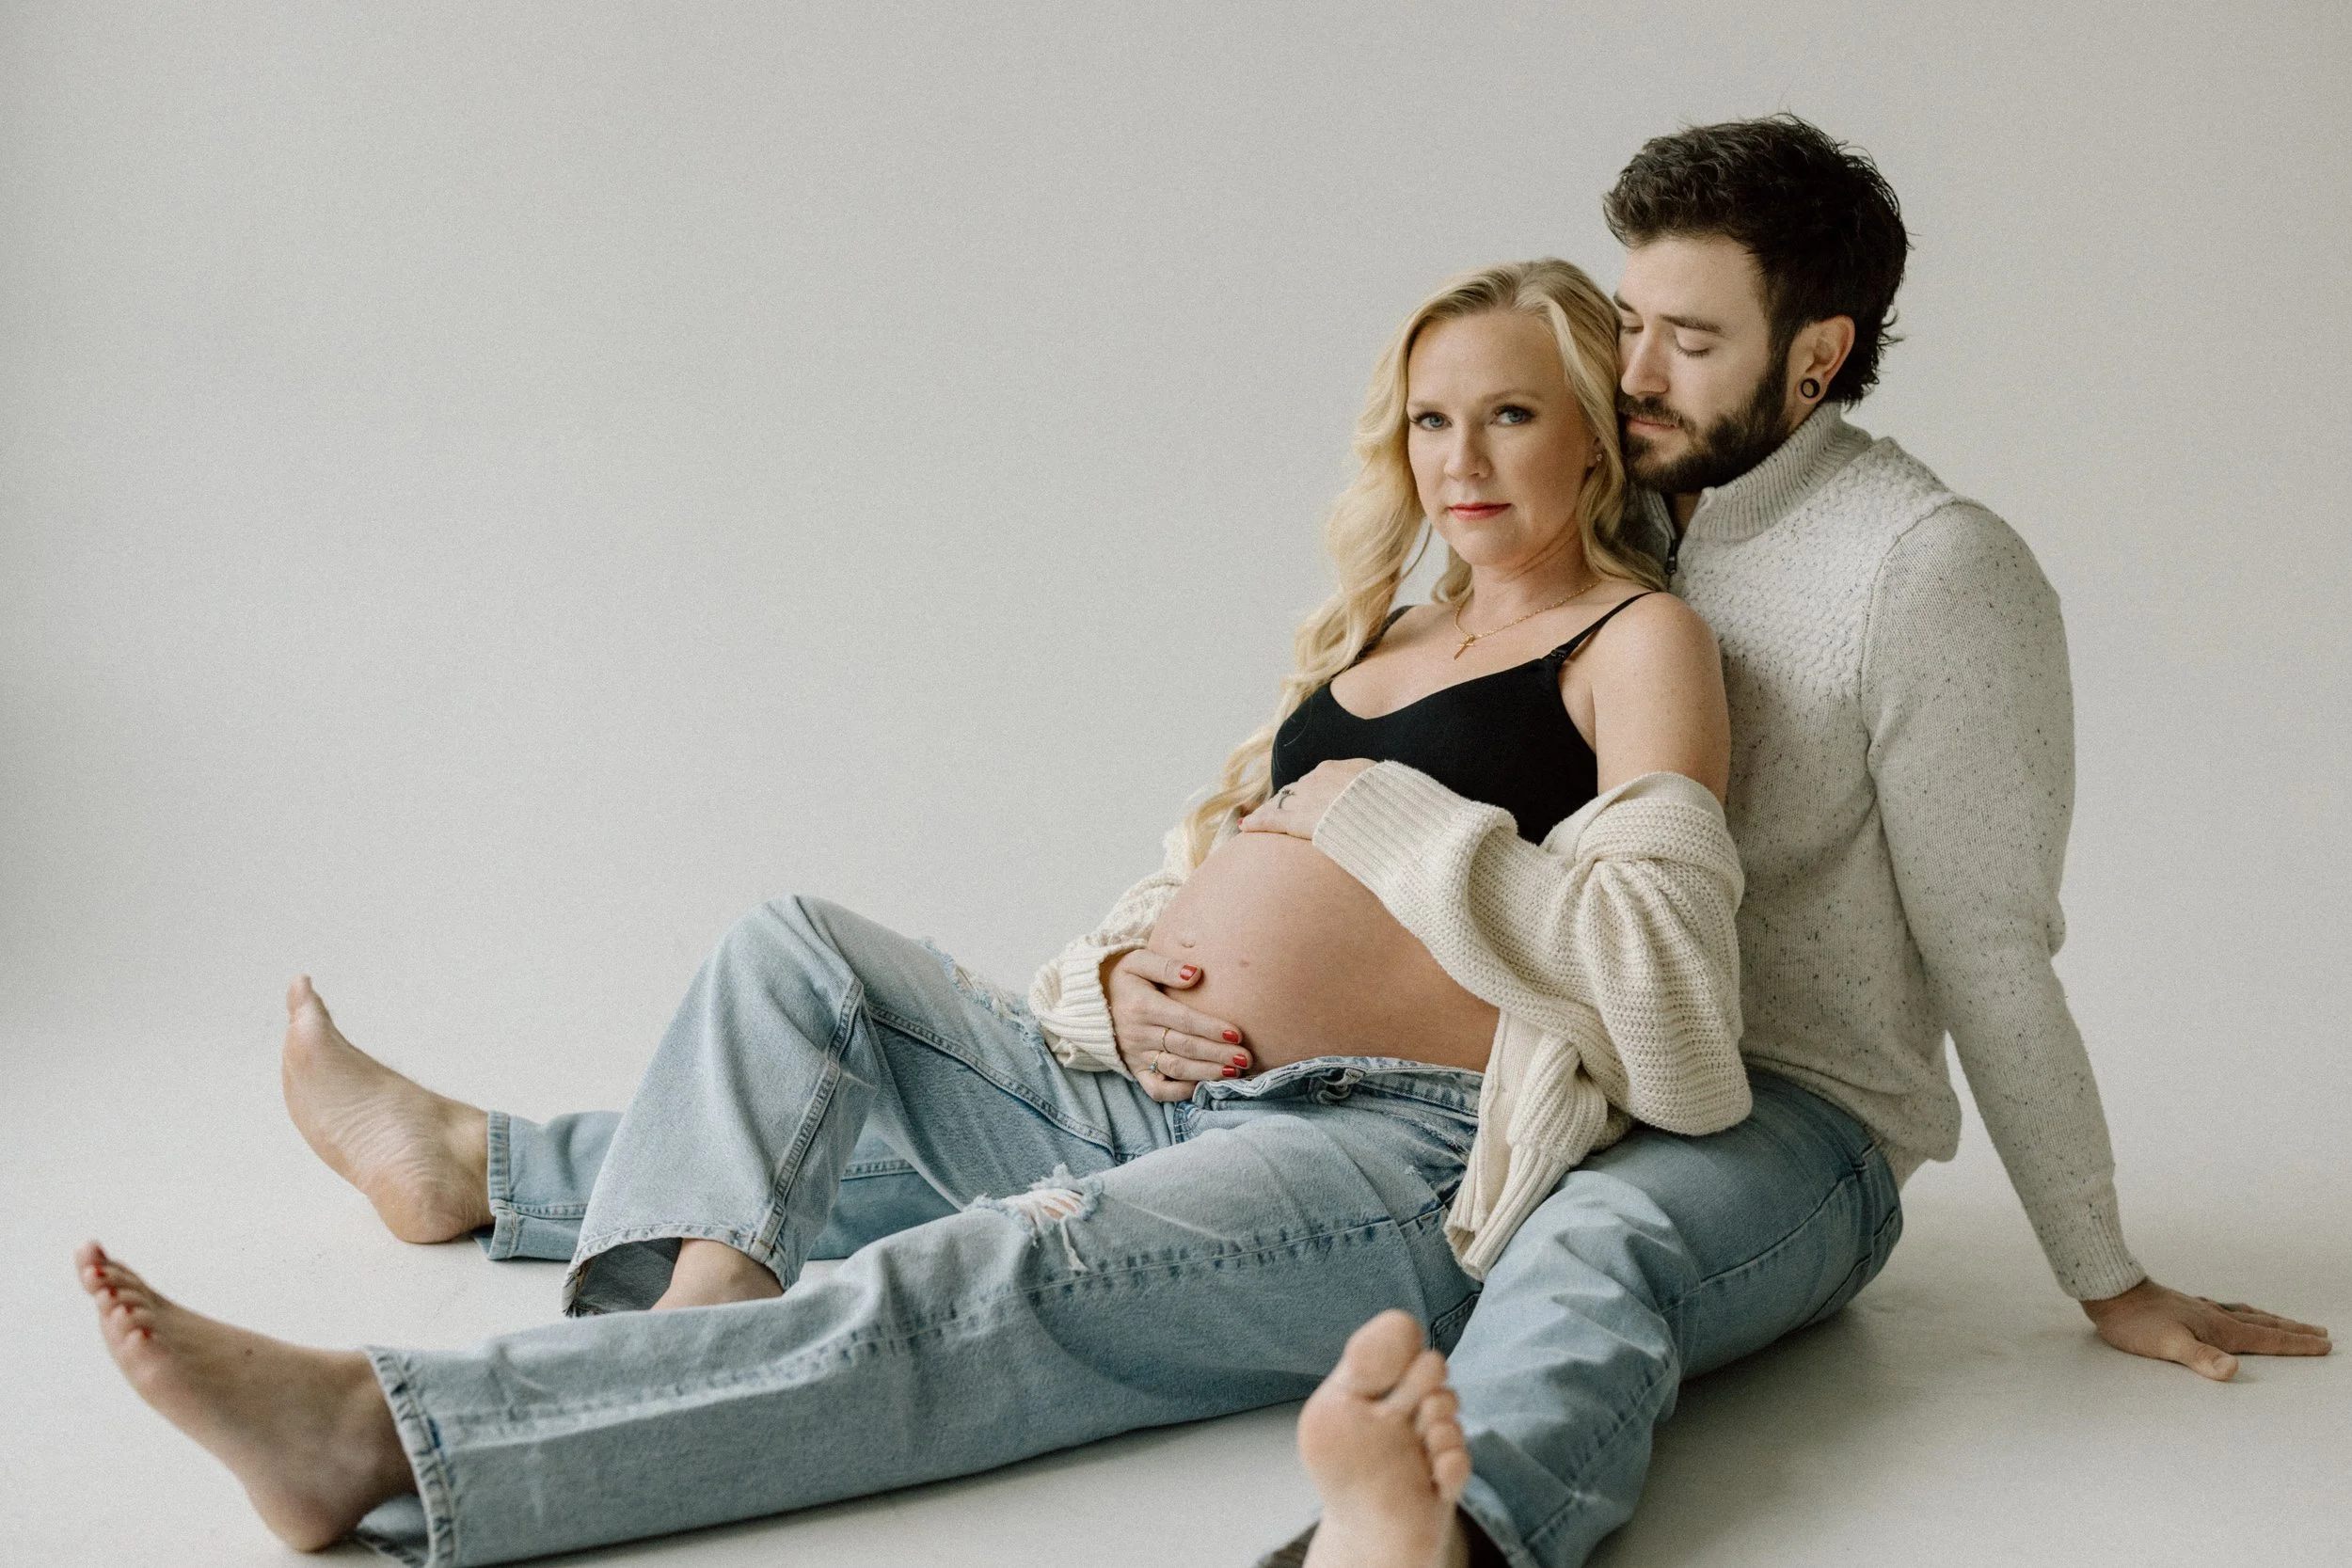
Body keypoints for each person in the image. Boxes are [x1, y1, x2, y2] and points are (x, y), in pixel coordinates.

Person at [76, 257, 1756, 1565]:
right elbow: (1197, 880)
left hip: (1390, 1153)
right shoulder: (1379, 636)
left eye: (1511, 415)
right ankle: (688, 1346)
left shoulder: (1634, 644)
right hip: (1155, 1087)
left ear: (1594, 432)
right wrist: (1109, 982)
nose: (1460, 458)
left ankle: (383, 1433)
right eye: (1428, 419)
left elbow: (1669, 1004)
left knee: (970, 1275)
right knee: (788, 953)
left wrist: (1365, 811)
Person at [1257, 116, 2333, 1568]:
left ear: (1816, 357)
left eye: (1688, 341)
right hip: (1564, 1055)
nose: (1631, 372)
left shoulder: (1931, 569)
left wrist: (2107, 1274)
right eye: (1628, 322)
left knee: (1595, 1251)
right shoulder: (1613, 496)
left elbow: (1991, 943)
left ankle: (1442, 1537)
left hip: (1792, 1109)